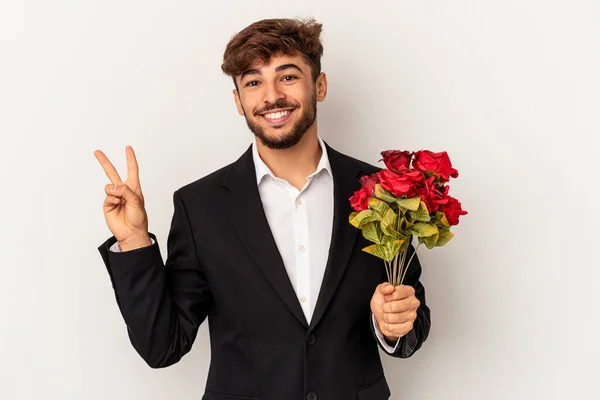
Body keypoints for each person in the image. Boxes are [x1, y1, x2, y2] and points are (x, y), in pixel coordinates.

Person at [95, 17, 430, 400]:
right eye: (253, 82)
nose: (271, 96)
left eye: (288, 77)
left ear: (319, 86)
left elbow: (412, 326)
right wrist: (135, 241)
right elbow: (163, 346)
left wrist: (392, 326)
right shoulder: (200, 205)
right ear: (238, 101)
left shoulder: (383, 193)